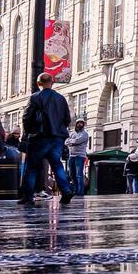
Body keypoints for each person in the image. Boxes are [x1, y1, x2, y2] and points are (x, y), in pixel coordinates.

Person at [19, 74, 74, 207]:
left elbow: (27, 117)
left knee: (31, 167)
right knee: (57, 165)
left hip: (39, 137)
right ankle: (66, 191)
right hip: (57, 138)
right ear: (52, 82)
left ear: (38, 83)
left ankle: (28, 197)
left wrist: (28, 133)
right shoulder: (61, 99)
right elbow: (67, 119)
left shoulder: (35, 97)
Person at [64, 119, 90, 196]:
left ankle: (80, 192)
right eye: (78, 123)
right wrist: (72, 142)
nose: (80, 124)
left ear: (83, 125)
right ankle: (75, 190)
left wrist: (71, 142)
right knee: (72, 174)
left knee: (79, 175)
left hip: (80, 156)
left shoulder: (85, 134)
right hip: (71, 156)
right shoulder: (72, 133)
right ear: (76, 124)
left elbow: (77, 141)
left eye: (81, 123)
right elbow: (66, 141)